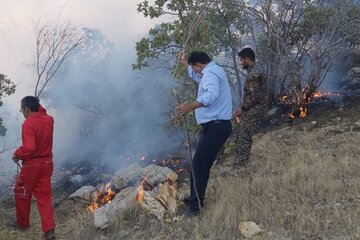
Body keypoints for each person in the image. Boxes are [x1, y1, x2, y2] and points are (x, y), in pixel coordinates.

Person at [177, 51, 232, 216]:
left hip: (216, 126)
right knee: (199, 164)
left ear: (198, 65)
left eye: (195, 68)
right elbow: (199, 78)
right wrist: (185, 64)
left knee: (199, 166)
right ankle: (194, 196)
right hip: (217, 127)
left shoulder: (210, 73)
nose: (196, 72)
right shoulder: (213, 70)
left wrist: (189, 107)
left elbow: (211, 95)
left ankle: (196, 207)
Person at [10, 96, 56, 240]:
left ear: (27, 109)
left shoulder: (28, 123)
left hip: (32, 165)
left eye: (22, 110)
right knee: (44, 197)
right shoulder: (49, 120)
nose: (22, 112)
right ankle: (49, 230)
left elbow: (29, 149)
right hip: (47, 163)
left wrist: (17, 153)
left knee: (21, 192)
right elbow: (43, 112)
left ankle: (22, 224)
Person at [235, 48, 268, 166]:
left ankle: (241, 163)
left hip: (254, 110)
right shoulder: (257, 69)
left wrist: (242, 109)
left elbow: (254, 96)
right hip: (258, 108)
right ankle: (241, 160)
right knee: (244, 134)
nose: (240, 62)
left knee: (244, 135)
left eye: (241, 60)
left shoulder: (253, 75)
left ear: (247, 59)